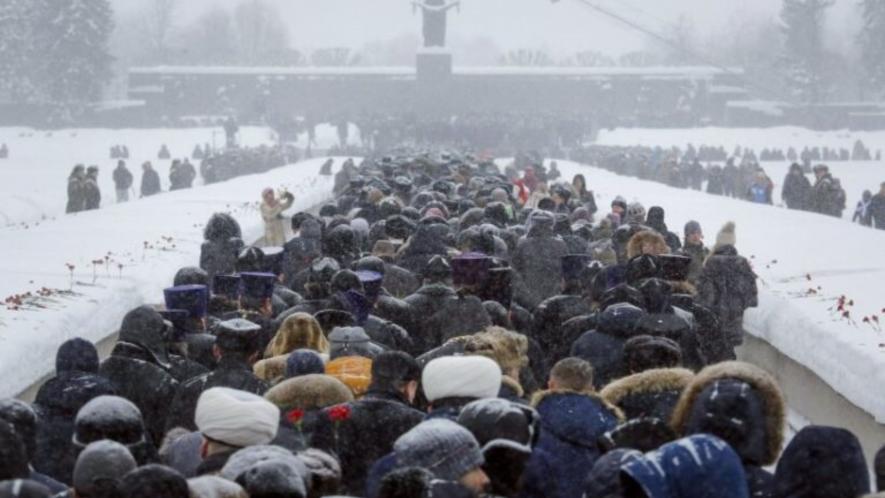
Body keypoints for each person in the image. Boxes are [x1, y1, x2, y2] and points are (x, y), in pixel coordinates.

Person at [312, 351, 425, 495]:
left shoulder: (331, 416)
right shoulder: (417, 421)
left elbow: (320, 467)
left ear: (372, 378)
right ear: (410, 386)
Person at [696, 222, 757, 349]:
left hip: (714, 322)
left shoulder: (711, 262)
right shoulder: (742, 262)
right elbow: (751, 296)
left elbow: (705, 295)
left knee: (713, 358)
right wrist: (737, 306)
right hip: (734, 321)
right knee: (729, 355)